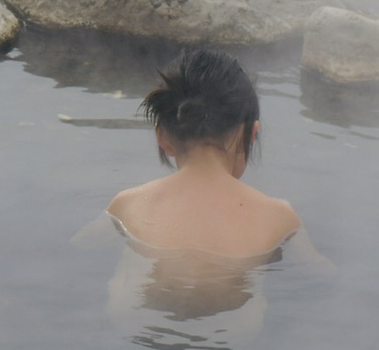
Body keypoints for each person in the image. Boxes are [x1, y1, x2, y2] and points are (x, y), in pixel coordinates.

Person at [106, 48, 305, 260]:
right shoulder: (279, 217)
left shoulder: (126, 206)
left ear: (162, 136)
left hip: (140, 292)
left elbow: (80, 246)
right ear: (251, 133)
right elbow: (324, 274)